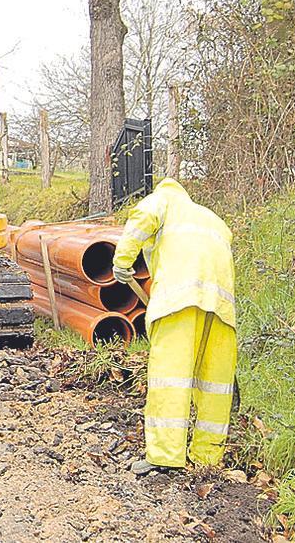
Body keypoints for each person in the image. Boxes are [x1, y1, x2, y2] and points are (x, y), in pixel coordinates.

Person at [112, 178, 236, 476]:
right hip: (221, 306)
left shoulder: (163, 201)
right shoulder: (213, 219)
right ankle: (207, 457)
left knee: (171, 378)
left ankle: (165, 455)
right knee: (215, 384)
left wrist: (122, 261)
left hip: (178, 300)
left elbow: (141, 220)